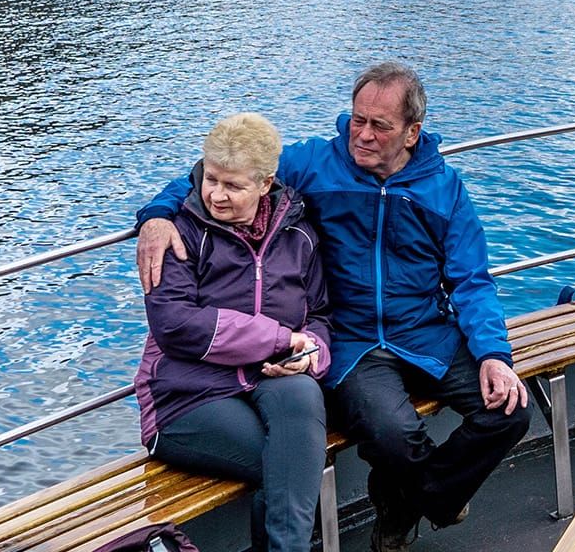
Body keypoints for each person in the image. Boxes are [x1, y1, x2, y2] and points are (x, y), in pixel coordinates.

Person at [136, 62, 527, 552]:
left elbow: (471, 281)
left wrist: (494, 354)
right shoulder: (317, 163)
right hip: (353, 342)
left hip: (425, 332)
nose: (361, 135)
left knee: (511, 411)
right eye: (356, 119)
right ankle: (418, 500)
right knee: (392, 434)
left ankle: (411, 501)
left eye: (379, 126)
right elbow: (217, 174)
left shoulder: (445, 189)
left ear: (412, 133)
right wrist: (154, 215)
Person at [138, 113, 332, 550]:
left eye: (233, 186)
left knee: (303, 397)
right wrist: (281, 339)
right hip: (188, 396)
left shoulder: (297, 231)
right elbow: (174, 325)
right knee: (288, 465)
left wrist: (312, 350)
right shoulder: (180, 232)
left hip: (269, 376)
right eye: (211, 180)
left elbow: (319, 313)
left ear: (265, 184)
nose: (216, 195)